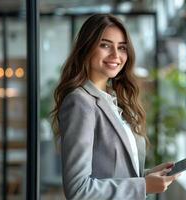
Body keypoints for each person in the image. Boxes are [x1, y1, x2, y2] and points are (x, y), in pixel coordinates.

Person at [51, 14, 179, 200]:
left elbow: (111, 173)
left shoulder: (113, 100)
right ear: (86, 48)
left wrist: (148, 176)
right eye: (105, 45)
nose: (116, 55)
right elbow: (78, 190)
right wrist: (143, 186)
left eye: (122, 47)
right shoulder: (80, 102)